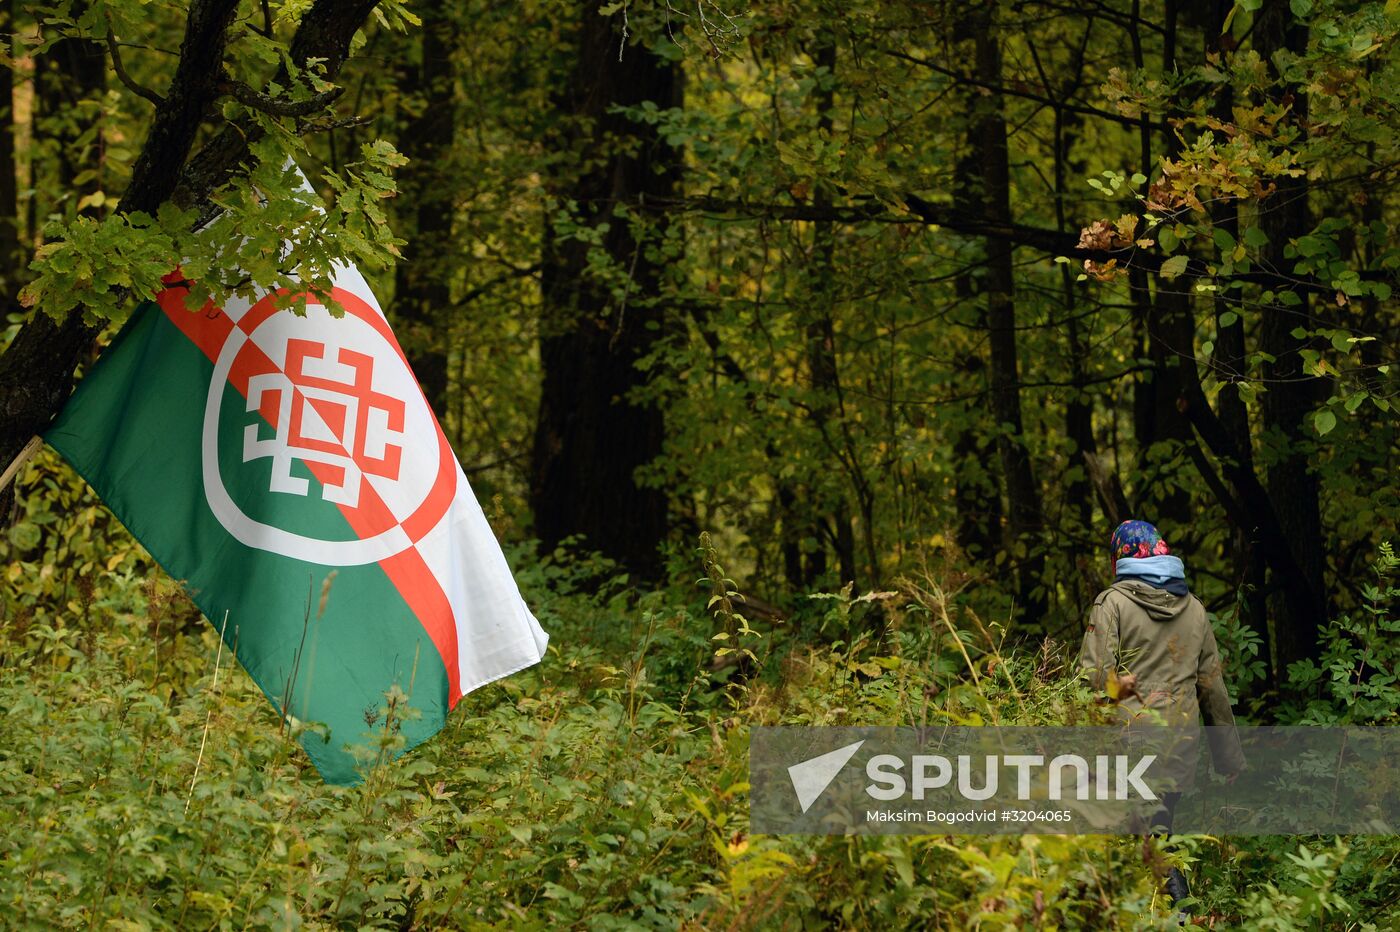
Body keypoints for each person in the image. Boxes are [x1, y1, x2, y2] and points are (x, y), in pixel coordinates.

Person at [1078, 519, 1245, 912]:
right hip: (1180, 744)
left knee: (1141, 837)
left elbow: (1093, 677)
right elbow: (1212, 689)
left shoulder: (1112, 603)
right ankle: (1163, 912)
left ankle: (1178, 913)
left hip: (1127, 742)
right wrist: (1229, 757)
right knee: (1157, 830)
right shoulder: (1196, 609)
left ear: (1120, 556)